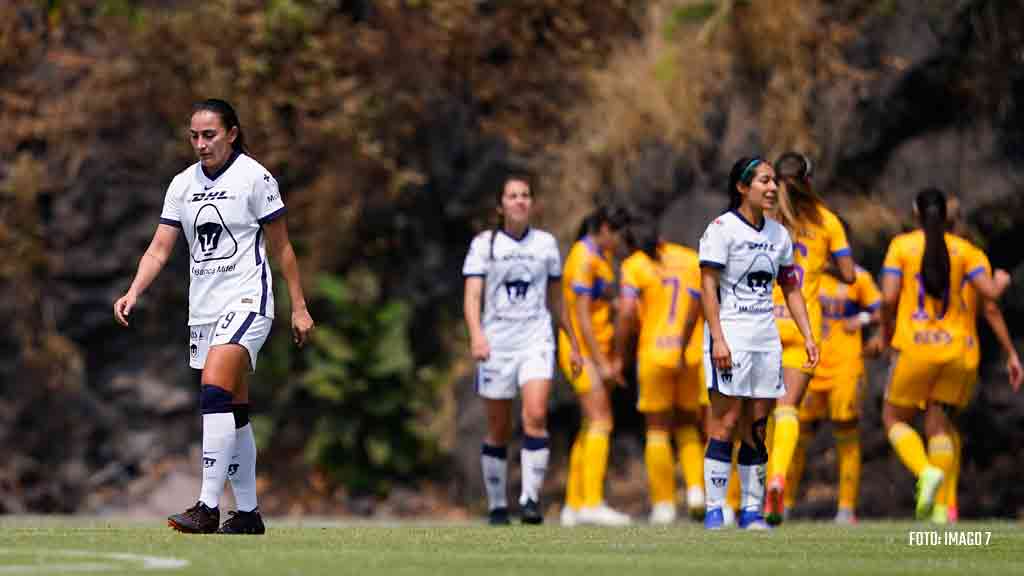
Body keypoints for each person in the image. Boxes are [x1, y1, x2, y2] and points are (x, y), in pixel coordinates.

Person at [114, 99, 314, 534]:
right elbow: (159, 248)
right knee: (234, 408)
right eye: (195, 136)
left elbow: (282, 247)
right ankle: (247, 514)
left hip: (248, 300)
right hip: (203, 311)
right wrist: (133, 290)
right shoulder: (182, 184)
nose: (201, 144)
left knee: (214, 388)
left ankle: (207, 506)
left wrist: (298, 306)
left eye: (210, 135)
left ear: (232, 133)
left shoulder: (255, 178)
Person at [699, 156, 818, 530]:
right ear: (742, 187)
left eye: (773, 182)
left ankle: (752, 510)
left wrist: (808, 335)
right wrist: (718, 338)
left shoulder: (779, 235)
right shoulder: (721, 230)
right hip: (731, 337)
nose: (771, 188)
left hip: (766, 340)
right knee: (726, 421)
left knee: (757, 425)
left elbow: (791, 288)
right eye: (764, 181)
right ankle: (715, 509)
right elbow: (707, 287)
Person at [880, 187, 1010, 520]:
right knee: (939, 426)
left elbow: (888, 298)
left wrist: (885, 333)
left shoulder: (902, 247)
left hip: (916, 346)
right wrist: (1001, 280)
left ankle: (926, 472)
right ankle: (941, 510)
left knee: (894, 418)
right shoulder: (968, 252)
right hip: (959, 352)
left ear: (915, 212)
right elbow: (991, 296)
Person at [462, 164, 581, 525]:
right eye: (512, 196)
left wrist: (572, 342)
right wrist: (476, 335)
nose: (519, 201)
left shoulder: (545, 244)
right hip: (497, 342)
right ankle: (498, 504)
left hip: (536, 339)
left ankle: (530, 501)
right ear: (501, 205)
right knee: (499, 428)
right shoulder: (485, 244)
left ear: (533, 203)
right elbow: (472, 297)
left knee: (536, 415)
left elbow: (556, 300)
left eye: (525, 195)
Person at [763, 152, 855, 526]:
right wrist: (821, 263)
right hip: (804, 327)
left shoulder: (764, 219)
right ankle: (778, 479)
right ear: (809, 180)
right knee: (788, 410)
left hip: (763, 324)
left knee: (760, 415)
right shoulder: (827, 222)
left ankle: (754, 492)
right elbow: (849, 274)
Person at [927, 196, 1022, 523]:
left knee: (933, 425)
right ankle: (947, 505)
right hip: (964, 350)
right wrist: (1011, 352)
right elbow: (990, 306)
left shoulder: (915, 248)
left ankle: (941, 505)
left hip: (926, 348)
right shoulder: (971, 255)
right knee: (948, 426)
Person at [616, 221, 707, 524]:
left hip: (654, 353)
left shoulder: (634, 265)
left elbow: (628, 311)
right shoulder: (689, 258)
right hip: (689, 353)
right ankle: (696, 491)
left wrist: (622, 355)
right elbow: (703, 300)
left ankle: (664, 504)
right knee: (688, 424)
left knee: (656, 430)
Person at [784, 264, 883, 525]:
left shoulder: (859, 278)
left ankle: (846, 509)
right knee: (796, 435)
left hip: (845, 367)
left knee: (846, 435)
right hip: (809, 365)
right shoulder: (806, 275)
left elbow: (882, 310)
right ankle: (783, 505)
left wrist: (861, 319)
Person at [558, 205, 632, 526]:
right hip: (581, 352)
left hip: (594, 349)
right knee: (602, 420)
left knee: (590, 424)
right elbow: (583, 318)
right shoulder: (584, 258)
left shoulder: (601, 258)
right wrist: (601, 363)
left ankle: (573, 505)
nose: (618, 241)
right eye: (616, 234)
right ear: (603, 228)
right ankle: (592, 502)